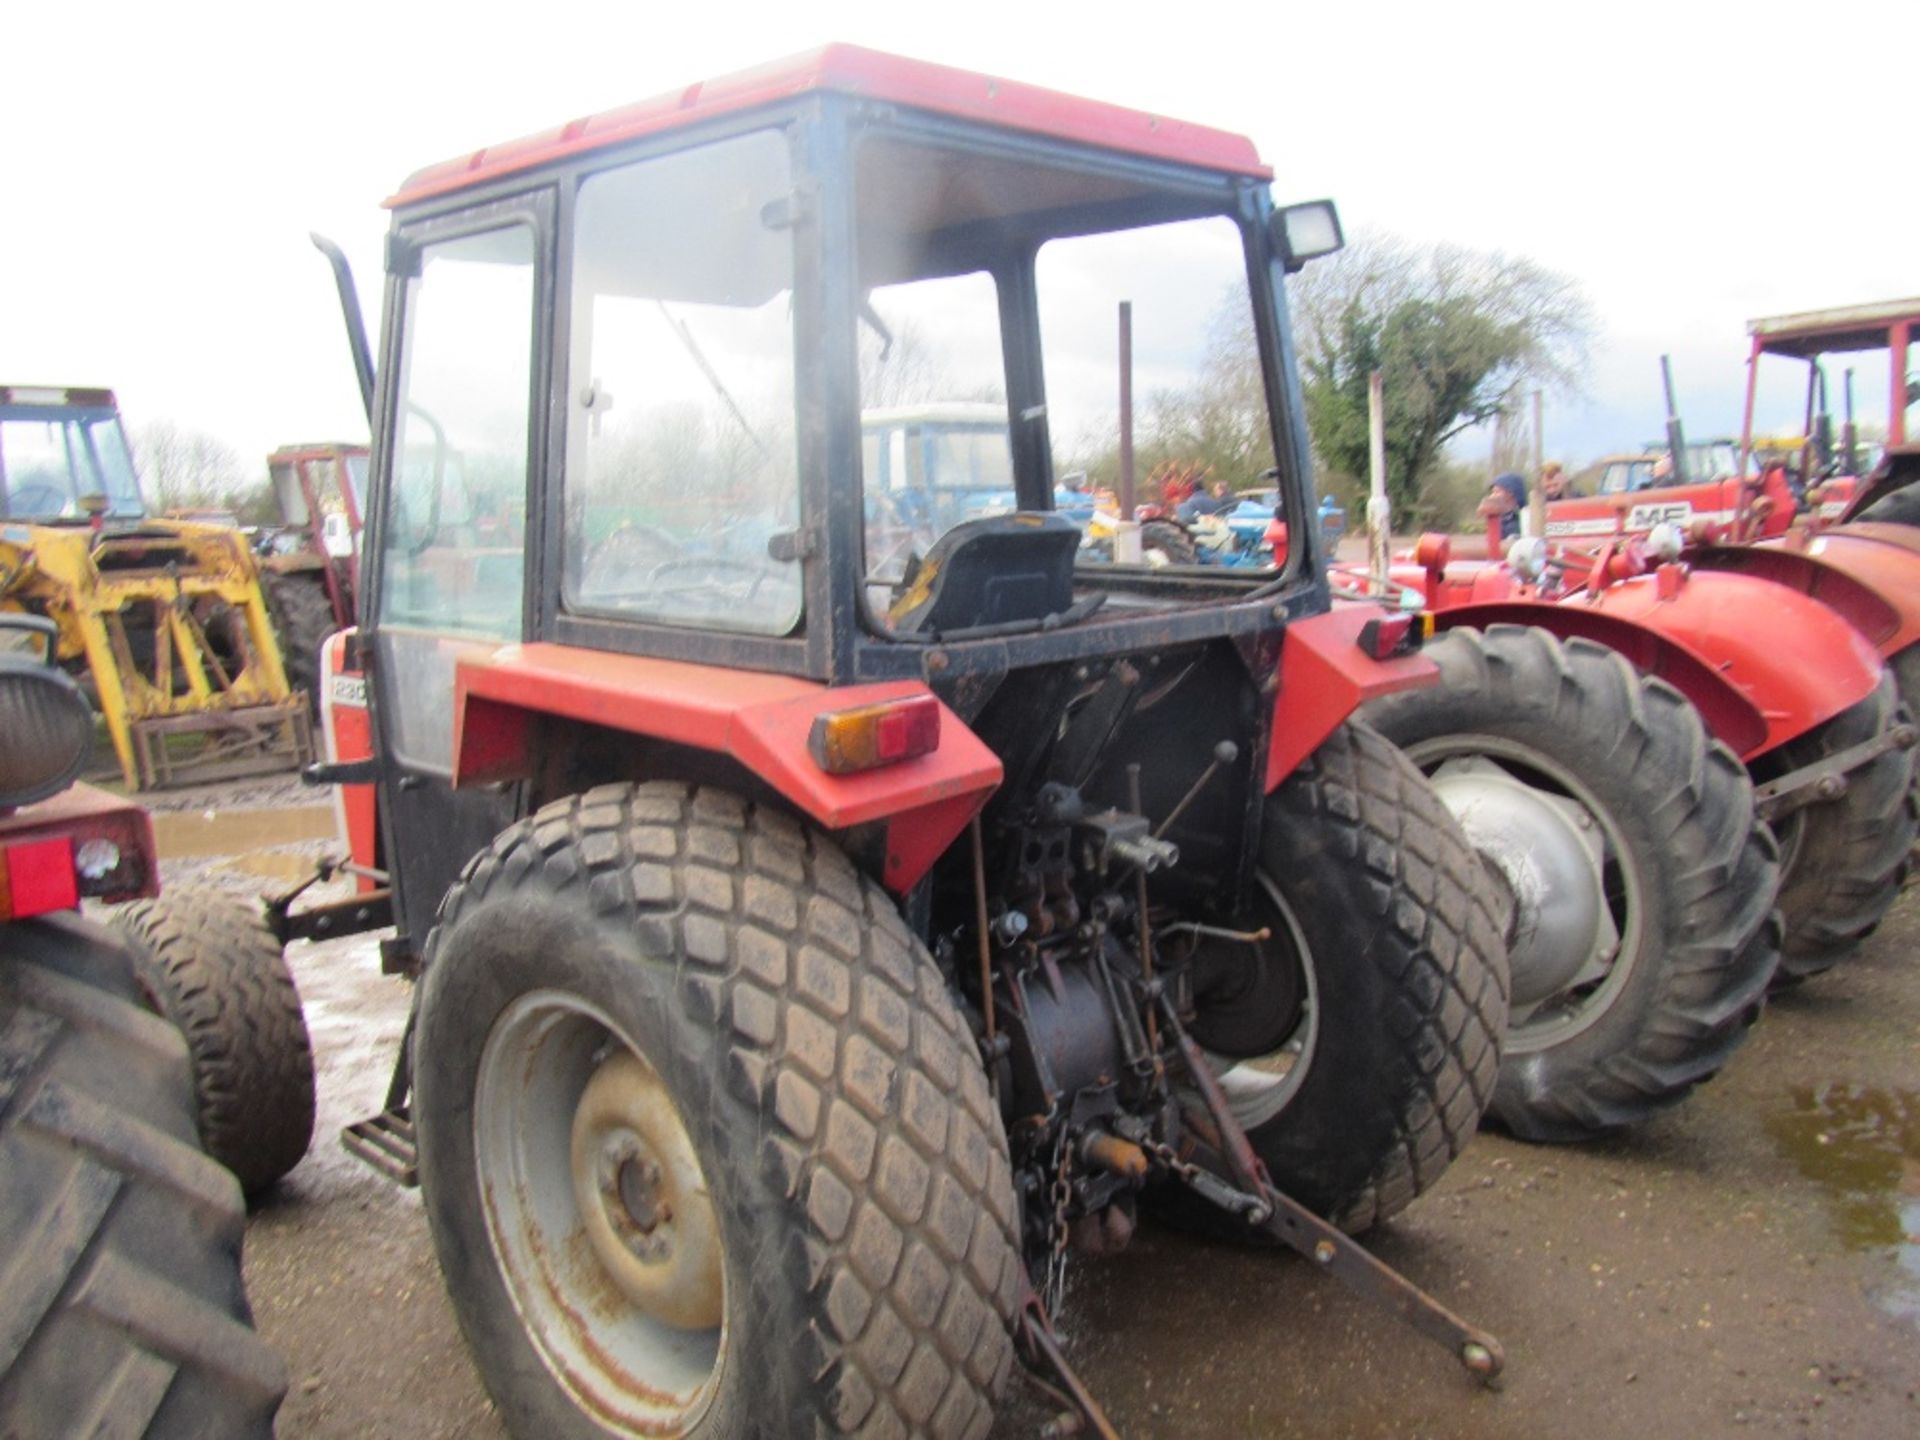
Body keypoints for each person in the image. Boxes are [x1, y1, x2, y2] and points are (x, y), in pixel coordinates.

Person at [1478, 471, 1528, 540]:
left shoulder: (1523, 519)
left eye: (1496, 492)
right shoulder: (1499, 519)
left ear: (1510, 493)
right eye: (1492, 492)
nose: (1492, 496)